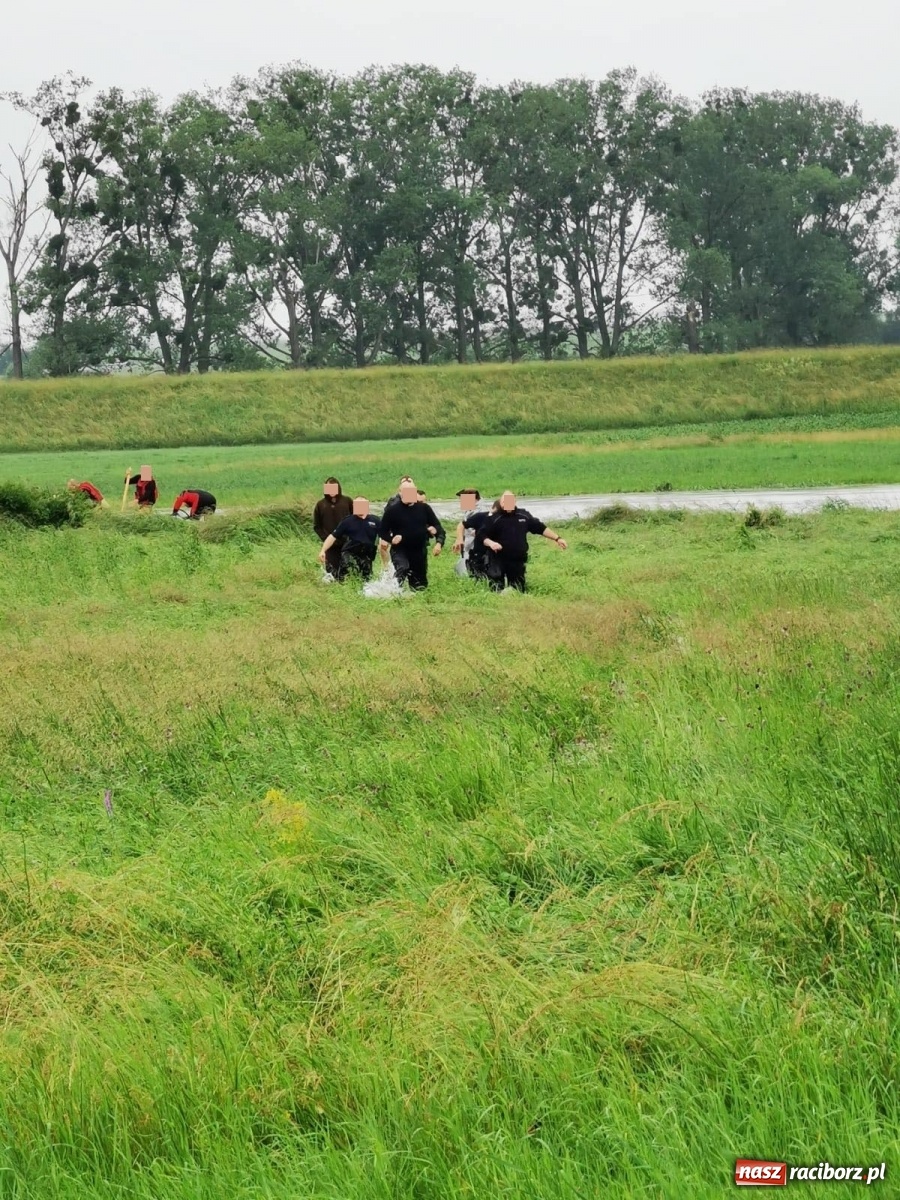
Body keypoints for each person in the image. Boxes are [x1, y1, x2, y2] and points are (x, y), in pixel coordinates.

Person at [480, 490, 567, 592]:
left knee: (518, 589)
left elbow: (540, 528)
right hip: (497, 559)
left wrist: (557, 538)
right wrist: (491, 543)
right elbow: (481, 535)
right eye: (504, 501)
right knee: (496, 589)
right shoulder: (493, 517)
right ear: (501, 502)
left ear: (514, 501)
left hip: (517, 559)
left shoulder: (523, 515)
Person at [378, 480, 445, 591]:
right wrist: (391, 539)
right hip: (400, 549)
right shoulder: (392, 511)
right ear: (400, 492)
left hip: (419, 550)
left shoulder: (424, 508)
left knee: (419, 585)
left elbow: (438, 527)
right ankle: (392, 592)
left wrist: (438, 542)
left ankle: (413, 595)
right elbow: (382, 531)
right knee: (403, 568)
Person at [318, 498, 381, 581]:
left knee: (367, 577)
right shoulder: (347, 521)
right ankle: (340, 581)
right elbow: (333, 536)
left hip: (367, 553)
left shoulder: (376, 520)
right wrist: (323, 550)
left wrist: (383, 545)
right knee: (349, 567)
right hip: (350, 551)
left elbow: (384, 536)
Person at [313, 477, 353, 578]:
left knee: (348, 570)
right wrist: (326, 538)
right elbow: (317, 526)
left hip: (347, 542)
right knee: (332, 572)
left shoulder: (347, 501)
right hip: (330, 544)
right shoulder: (320, 505)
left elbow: (355, 519)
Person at [452, 488, 489, 578]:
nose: (461, 502)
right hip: (468, 546)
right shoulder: (470, 510)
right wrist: (459, 539)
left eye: (463, 500)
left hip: (477, 548)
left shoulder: (481, 511)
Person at [379, 475, 415, 565]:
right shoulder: (393, 501)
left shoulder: (418, 500)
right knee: (383, 545)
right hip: (395, 531)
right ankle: (387, 568)